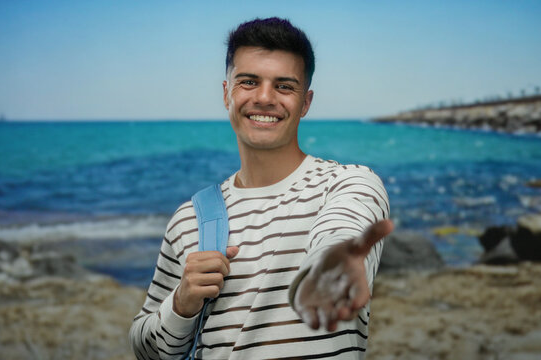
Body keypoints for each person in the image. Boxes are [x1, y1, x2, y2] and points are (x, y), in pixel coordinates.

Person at [130, 17, 393, 359]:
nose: (265, 98)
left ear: (306, 102)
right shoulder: (189, 219)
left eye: (284, 86)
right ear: (227, 94)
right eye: (249, 82)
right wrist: (181, 303)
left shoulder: (350, 184)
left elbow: (341, 231)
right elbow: (145, 349)